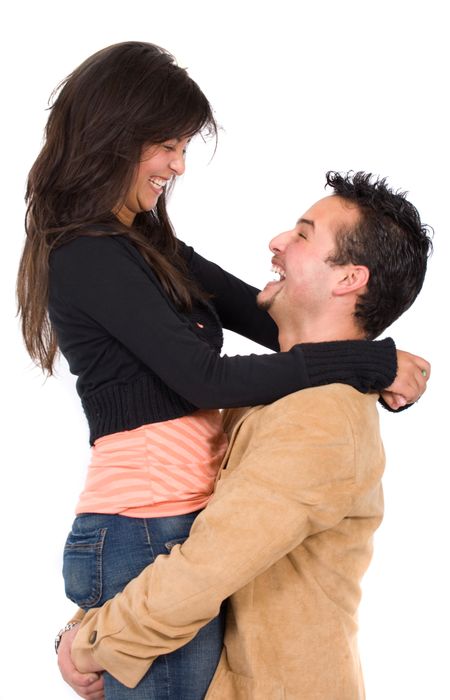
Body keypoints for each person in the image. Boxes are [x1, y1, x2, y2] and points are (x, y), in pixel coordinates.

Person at [16, 41, 427, 699]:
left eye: (302, 234)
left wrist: (369, 365)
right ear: (116, 136)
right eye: (168, 145)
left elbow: (274, 325)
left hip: (156, 531)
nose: (178, 166)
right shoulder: (90, 257)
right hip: (141, 526)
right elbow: (209, 380)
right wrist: (372, 360)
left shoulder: (151, 249)